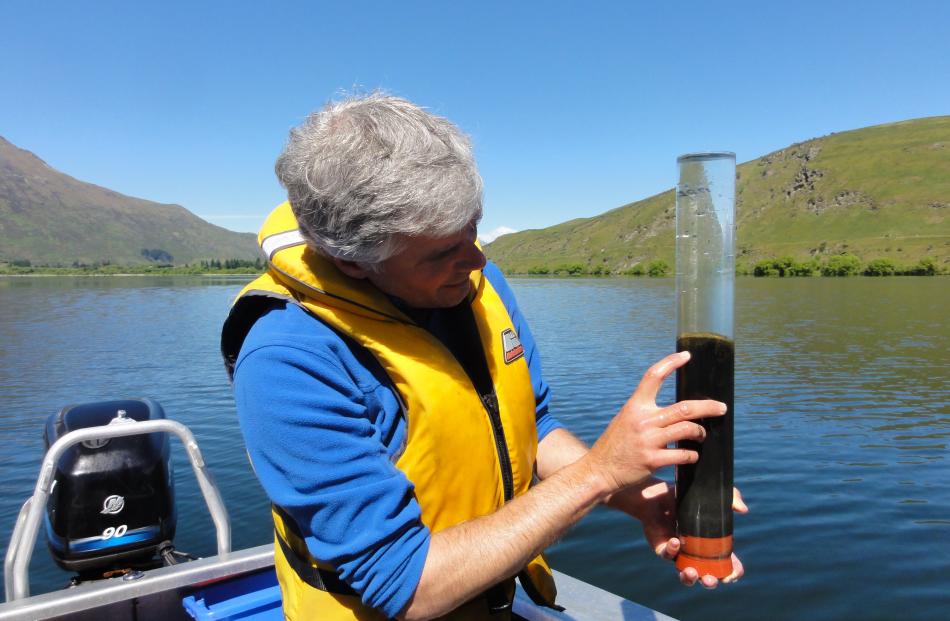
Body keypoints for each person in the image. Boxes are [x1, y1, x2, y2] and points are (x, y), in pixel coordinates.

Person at [221, 93, 746, 621]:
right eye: (442, 251)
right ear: (353, 262)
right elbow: (408, 585)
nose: (476, 259)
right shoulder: (286, 360)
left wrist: (641, 495)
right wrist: (599, 475)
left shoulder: (474, 283)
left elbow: (532, 427)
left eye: (472, 229)